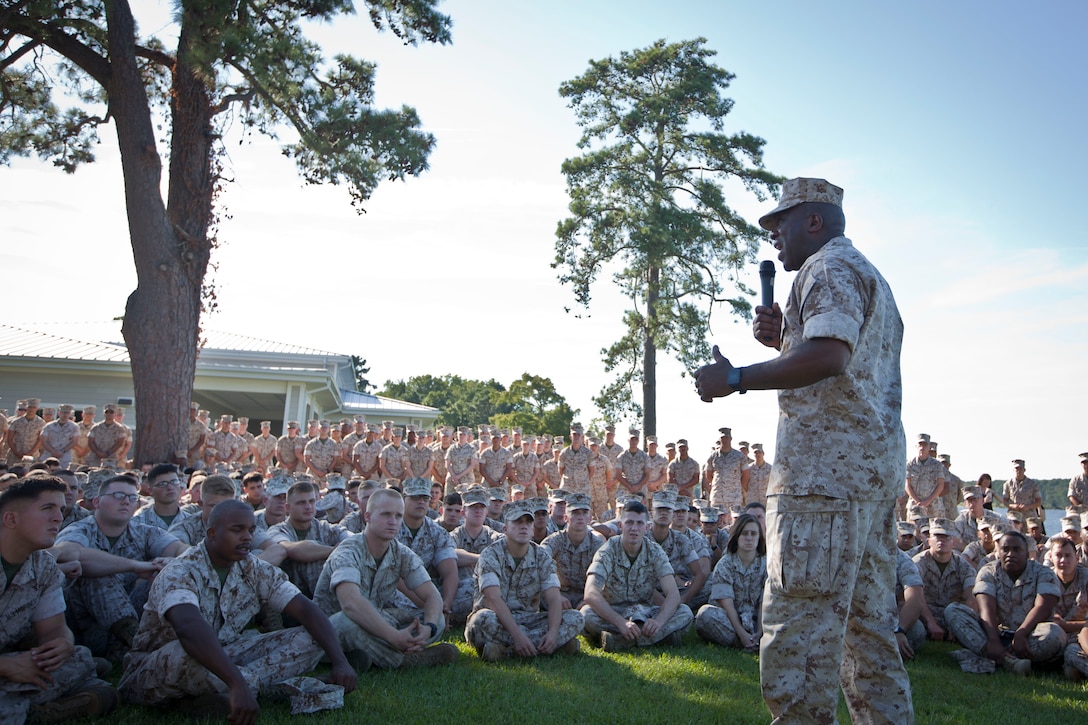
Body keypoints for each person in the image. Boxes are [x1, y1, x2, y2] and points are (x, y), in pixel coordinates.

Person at [694, 177, 913, 722]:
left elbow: (831, 356)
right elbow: (837, 361)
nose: (774, 237)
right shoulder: (867, 274)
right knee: (868, 639)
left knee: (798, 641)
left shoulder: (827, 269)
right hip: (865, 484)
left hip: (822, 488)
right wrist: (785, 341)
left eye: (781, 224)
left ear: (813, 221)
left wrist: (738, 376)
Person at [118, 500, 357, 720]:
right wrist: (238, 683)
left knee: (313, 637)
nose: (247, 538)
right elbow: (188, 628)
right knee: (183, 653)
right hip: (159, 664)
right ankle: (257, 687)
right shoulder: (181, 571)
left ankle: (217, 696)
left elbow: (306, 609)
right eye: (237, 530)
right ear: (212, 533)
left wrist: (340, 661)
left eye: (251, 531)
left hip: (223, 654)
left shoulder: (253, 568)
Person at [0, 476, 118, 723]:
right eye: (47, 509)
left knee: (78, 656)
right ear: (11, 519)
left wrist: (62, 643)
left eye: (61, 510)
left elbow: (54, 629)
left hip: (14, 659)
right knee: (96, 683)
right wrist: (6, 667)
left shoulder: (44, 566)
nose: (58, 518)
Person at [313, 489, 459, 669]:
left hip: (369, 621)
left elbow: (432, 596)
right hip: (330, 629)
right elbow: (351, 604)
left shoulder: (401, 552)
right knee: (347, 622)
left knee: (436, 619)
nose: (393, 521)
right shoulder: (348, 551)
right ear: (367, 516)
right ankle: (403, 660)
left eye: (398, 516)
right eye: (386, 514)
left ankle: (367, 656)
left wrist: (428, 628)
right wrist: (392, 636)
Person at [52, 474, 186, 657]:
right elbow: (70, 554)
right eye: (118, 496)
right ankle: (138, 643)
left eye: (132, 498)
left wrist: (171, 561)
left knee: (166, 574)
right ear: (97, 502)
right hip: (85, 626)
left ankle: (174, 639)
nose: (125, 502)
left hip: (129, 617)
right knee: (97, 574)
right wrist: (135, 566)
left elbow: (179, 548)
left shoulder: (143, 531)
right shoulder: (80, 529)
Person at [465, 500, 584, 662]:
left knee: (576, 618)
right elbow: (493, 598)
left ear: (533, 529)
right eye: (518, 521)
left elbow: (554, 598)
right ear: (505, 528)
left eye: (528, 522)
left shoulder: (541, 556)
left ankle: (505, 650)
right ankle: (553, 646)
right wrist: (518, 635)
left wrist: (553, 633)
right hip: (496, 618)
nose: (524, 526)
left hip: (528, 619)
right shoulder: (490, 555)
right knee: (482, 619)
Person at [945, 530, 1063, 675]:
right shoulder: (988, 571)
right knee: (953, 610)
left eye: (1016, 550)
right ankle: (1008, 660)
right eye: (1005, 549)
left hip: (1030, 635)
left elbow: (1043, 606)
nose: (1010, 554)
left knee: (1054, 634)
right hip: (996, 633)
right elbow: (986, 608)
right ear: (998, 553)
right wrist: (994, 639)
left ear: (1026, 554)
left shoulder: (1044, 573)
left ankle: (993, 657)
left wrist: (1021, 634)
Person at [581, 501, 693, 651]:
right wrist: (620, 623)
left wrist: (658, 622)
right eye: (629, 522)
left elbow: (673, 594)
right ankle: (660, 638)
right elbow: (590, 593)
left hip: (645, 613)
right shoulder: (607, 550)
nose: (634, 528)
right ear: (620, 526)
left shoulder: (655, 551)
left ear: (647, 528)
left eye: (640, 523)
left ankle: (619, 640)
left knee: (684, 611)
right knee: (586, 613)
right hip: (615, 612)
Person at [263, 480, 350, 599]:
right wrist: (333, 551)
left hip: (324, 599)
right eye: (301, 503)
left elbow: (353, 541)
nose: (308, 506)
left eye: (312, 501)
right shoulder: (278, 531)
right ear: (288, 507)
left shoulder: (326, 528)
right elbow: (292, 550)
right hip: (288, 600)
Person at [695, 513, 766, 651]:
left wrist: (760, 631)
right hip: (730, 620)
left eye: (753, 534)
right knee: (705, 615)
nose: (749, 538)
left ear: (759, 537)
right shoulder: (725, 564)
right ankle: (744, 642)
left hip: (758, 619)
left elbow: (765, 603)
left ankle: (757, 639)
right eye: (745, 533)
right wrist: (742, 633)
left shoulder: (767, 565)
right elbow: (727, 606)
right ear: (737, 536)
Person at [911, 518, 977, 642]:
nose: (942, 540)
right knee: (916, 631)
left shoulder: (963, 566)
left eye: (947, 537)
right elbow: (916, 598)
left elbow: (971, 597)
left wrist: (956, 626)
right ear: (929, 540)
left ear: (953, 542)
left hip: (951, 615)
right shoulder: (917, 563)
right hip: (923, 614)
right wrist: (931, 623)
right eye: (937, 536)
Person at [542, 492, 605, 610]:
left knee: (589, 613)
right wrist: (556, 595)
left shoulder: (598, 544)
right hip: (559, 594)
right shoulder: (555, 540)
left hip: (585, 595)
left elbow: (606, 576)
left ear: (590, 518)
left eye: (584, 512)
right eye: (575, 513)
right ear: (565, 517)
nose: (580, 517)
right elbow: (540, 563)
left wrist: (590, 598)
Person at [449, 488, 501, 624]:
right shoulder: (455, 535)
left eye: (481, 507)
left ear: (486, 512)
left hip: (487, 591)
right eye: (473, 507)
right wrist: (482, 559)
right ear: (463, 513)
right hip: (459, 594)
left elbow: (505, 553)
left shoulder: (493, 536)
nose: (478, 510)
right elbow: (451, 555)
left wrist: (467, 559)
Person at [132, 463, 192, 531]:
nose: (170, 487)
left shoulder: (191, 522)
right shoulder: (138, 522)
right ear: (151, 490)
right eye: (163, 484)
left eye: (174, 481)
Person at [703, 428, 748, 517]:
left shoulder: (739, 456)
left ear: (731, 439)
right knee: (717, 521)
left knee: (734, 522)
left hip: (734, 497)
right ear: (720, 440)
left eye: (727, 438)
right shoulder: (713, 457)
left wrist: (736, 486)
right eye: (723, 438)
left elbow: (746, 475)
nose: (725, 440)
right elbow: (708, 475)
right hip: (718, 496)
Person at [905, 433, 945, 519]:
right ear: (916, 446)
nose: (922, 447)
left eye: (925, 444)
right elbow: (907, 485)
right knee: (913, 531)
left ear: (929, 446)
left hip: (933, 508)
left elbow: (940, 485)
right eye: (920, 444)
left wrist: (927, 501)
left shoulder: (937, 465)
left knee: (934, 531)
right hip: (915, 506)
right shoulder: (910, 464)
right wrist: (918, 501)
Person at [37, 404, 79, 469]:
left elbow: (74, 441)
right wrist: (53, 451)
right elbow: (43, 440)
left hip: (64, 456)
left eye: (67, 413)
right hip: (49, 455)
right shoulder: (49, 426)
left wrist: (62, 451)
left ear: (70, 414)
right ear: (59, 413)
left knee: (63, 475)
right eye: (63, 412)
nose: (65, 415)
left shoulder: (74, 427)